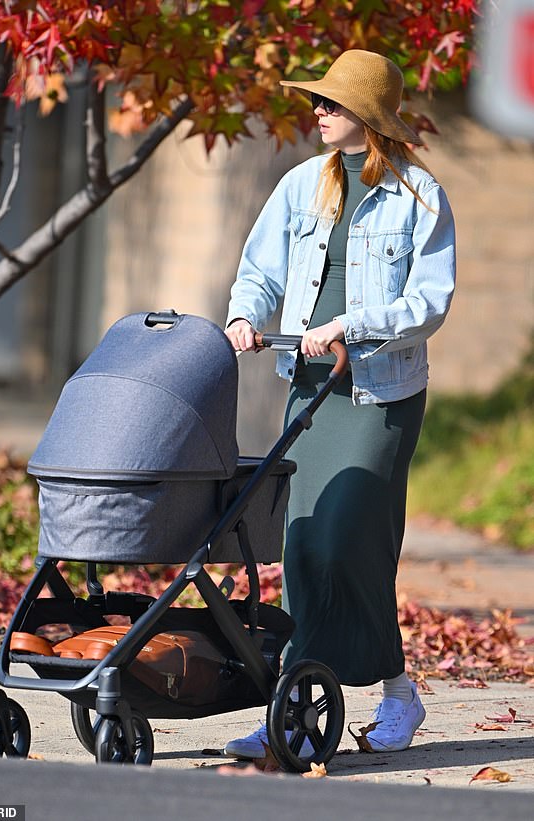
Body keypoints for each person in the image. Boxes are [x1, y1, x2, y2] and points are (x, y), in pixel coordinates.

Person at [223, 49, 456, 757]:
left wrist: (352, 327)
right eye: (317, 103)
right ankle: (289, 703)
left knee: (350, 538)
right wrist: (243, 315)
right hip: (309, 388)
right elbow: (259, 269)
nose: (317, 112)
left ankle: (396, 693)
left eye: (330, 103)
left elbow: (430, 301)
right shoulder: (301, 187)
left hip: (381, 394)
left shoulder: (420, 196)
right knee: (301, 546)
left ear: (368, 116)